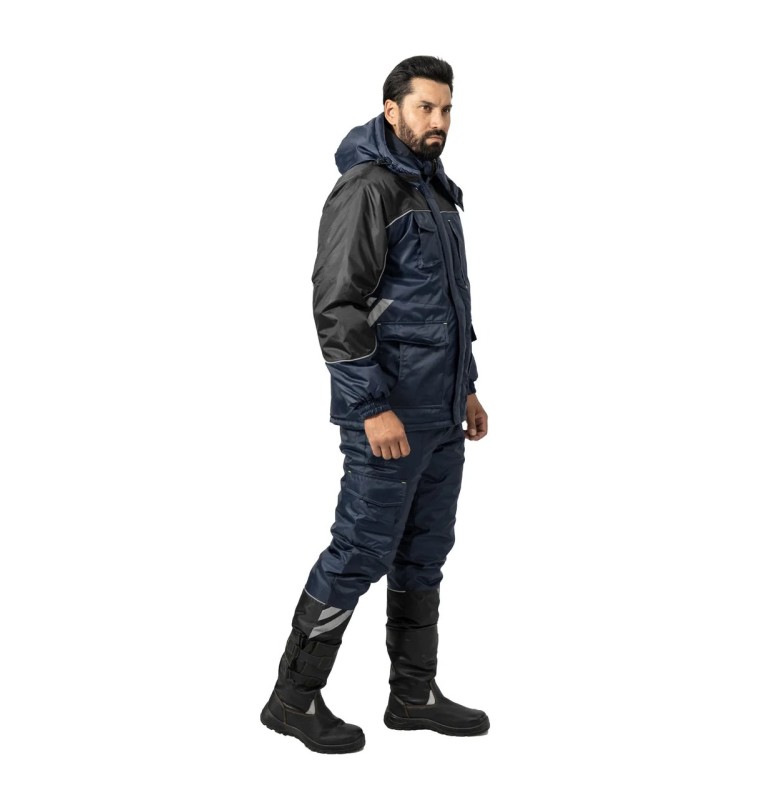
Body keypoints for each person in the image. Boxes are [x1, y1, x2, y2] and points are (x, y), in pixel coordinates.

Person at [260, 55, 489, 754]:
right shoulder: (369, 189)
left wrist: (467, 387)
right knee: (359, 552)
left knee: (425, 554)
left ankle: (413, 695)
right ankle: (293, 699)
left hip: (439, 414)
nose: (438, 122)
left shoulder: (435, 190)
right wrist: (369, 406)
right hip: (388, 415)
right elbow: (337, 305)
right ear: (392, 110)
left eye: (446, 110)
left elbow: (446, 307)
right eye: (425, 108)